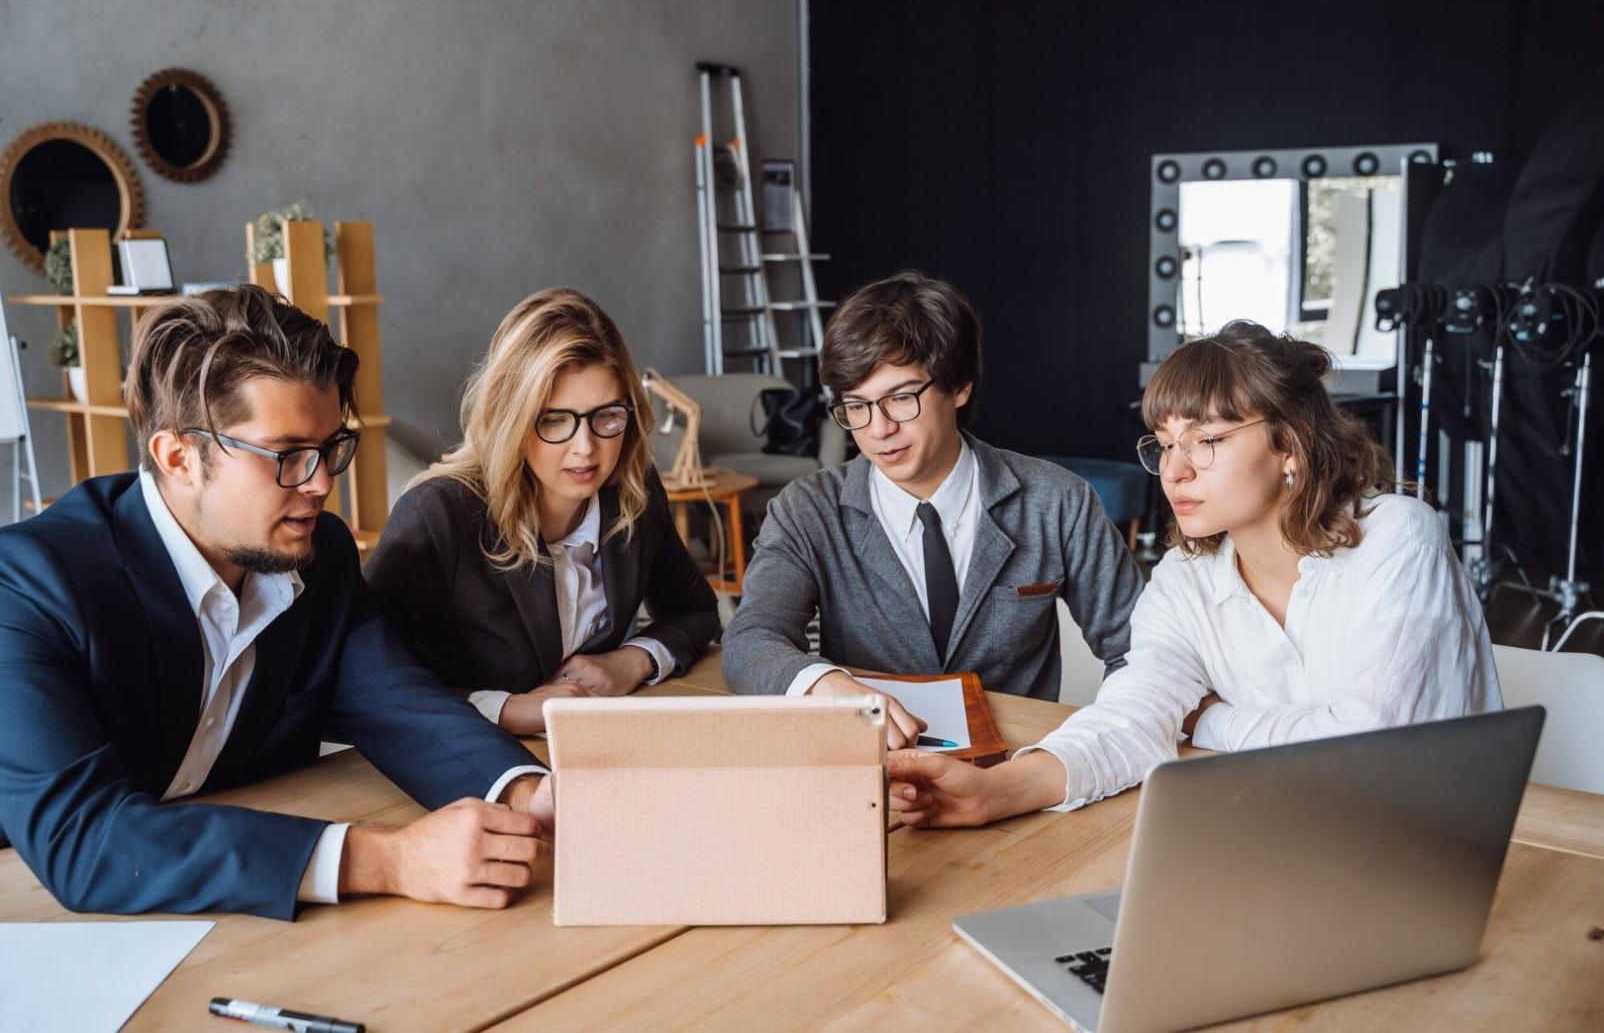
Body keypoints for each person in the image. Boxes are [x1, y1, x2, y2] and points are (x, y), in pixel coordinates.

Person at [0, 285, 554, 920]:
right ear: (179, 457)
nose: (321, 483)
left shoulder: (321, 555)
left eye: (329, 449)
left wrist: (532, 794)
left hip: (232, 904)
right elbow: (85, 839)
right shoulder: (28, 584)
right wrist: (388, 859)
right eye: (287, 455)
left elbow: (398, 705)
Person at [887, 320, 1503, 826]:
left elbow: (1368, 752)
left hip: (1430, 845)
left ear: (1290, 444)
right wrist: (993, 792)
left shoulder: (1398, 536)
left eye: (1206, 440)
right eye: (1164, 443)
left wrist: (1207, 718)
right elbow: (1131, 714)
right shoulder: (1186, 575)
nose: (1174, 471)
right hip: (1277, 835)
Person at [722, 271, 1144, 748]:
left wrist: (1089, 748)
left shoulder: (1057, 501)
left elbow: (1140, 652)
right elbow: (751, 639)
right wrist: (826, 685)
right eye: (856, 406)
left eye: (900, 398)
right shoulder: (806, 509)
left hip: (1019, 768)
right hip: (877, 764)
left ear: (959, 386)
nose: (878, 430)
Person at [365, 288, 718, 735]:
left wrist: (632, 660)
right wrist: (506, 710)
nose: (585, 448)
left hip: (589, 743)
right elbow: (365, 682)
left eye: (607, 415)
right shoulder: (437, 514)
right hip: (458, 753)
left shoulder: (631, 489)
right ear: (510, 418)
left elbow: (695, 611)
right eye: (554, 419)